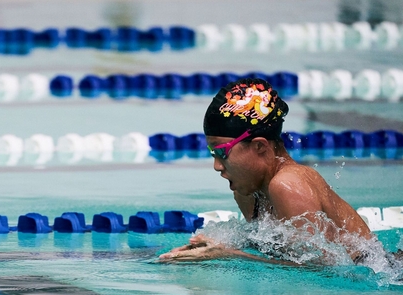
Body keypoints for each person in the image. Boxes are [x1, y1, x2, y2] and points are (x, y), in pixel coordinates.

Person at [160, 78, 375, 264]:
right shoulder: (247, 193)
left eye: (222, 153)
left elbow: (322, 271)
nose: (217, 165)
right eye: (212, 153)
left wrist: (230, 255)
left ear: (260, 146)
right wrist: (214, 249)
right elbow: (280, 255)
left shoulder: (289, 185)